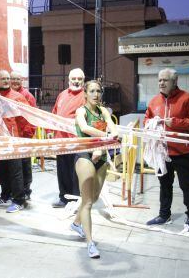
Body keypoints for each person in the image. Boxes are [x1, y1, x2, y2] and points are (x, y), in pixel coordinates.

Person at [145, 68, 189, 231]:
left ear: (174, 81)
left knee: (187, 185)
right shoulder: (154, 101)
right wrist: (150, 124)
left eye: (165, 80)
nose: (161, 83)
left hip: (183, 151)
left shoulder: (188, 98)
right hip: (162, 151)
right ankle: (164, 215)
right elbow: (147, 119)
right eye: (159, 80)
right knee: (164, 184)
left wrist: (177, 123)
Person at [70, 80, 118, 259]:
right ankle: (90, 243)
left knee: (94, 197)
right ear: (85, 94)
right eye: (92, 91)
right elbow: (85, 128)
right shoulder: (81, 111)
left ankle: (76, 223)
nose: (96, 94)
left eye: (98, 91)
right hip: (85, 156)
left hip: (101, 157)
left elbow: (112, 127)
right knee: (88, 202)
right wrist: (107, 135)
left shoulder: (103, 111)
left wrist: (111, 133)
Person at [0, 70, 35, 212]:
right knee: (1, 169)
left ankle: (19, 200)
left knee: (16, 171)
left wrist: (26, 137)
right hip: (1, 141)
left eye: (7, 78)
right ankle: (5, 195)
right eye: (3, 78)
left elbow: (27, 118)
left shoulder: (18, 97)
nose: (6, 81)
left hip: (16, 140)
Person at [51, 68, 86, 208]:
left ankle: (75, 200)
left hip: (78, 141)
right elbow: (54, 113)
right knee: (62, 170)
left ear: (83, 80)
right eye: (74, 78)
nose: (76, 81)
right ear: (68, 79)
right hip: (61, 140)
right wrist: (51, 131)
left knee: (76, 172)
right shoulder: (61, 95)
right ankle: (63, 197)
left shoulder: (87, 96)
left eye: (79, 79)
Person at [10, 70, 37, 199]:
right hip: (11, 136)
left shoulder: (28, 96)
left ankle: (26, 191)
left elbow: (33, 116)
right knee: (14, 167)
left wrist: (28, 135)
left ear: (22, 81)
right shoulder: (7, 94)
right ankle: (14, 191)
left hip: (24, 136)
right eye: (12, 79)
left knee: (25, 164)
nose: (15, 81)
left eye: (17, 79)